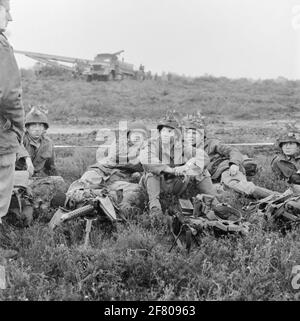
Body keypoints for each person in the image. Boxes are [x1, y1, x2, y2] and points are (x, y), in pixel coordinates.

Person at [139, 115, 216, 217]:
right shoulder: (151, 144)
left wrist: (187, 166)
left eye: (170, 132)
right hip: (154, 184)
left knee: (200, 171)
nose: (166, 134)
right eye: (164, 131)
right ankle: (155, 208)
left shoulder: (182, 145)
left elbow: (204, 157)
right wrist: (172, 170)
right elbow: (146, 160)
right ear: (160, 132)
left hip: (175, 183)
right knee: (152, 173)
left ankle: (214, 203)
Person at [66, 122, 148, 212]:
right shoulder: (119, 143)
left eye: (141, 135)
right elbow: (116, 157)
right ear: (128, 136)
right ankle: (75, 202)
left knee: (136, 191)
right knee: (77, 189)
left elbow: (146, 169)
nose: (137, 136)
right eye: (135, 133)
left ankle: (102, 203)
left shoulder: (145, 151)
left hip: (118, 180)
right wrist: (137, 160)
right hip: (100, 172)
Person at [0, 0, 25, 258]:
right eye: (6, 10)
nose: (10, 18)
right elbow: (8, 96)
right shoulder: (1, 45)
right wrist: (18, 128)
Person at [16, 106, 57, 177]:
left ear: (44, 128)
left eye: (40, 125)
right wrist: (27, 159)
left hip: (35, 178)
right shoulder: (20, 138)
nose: (37, 129)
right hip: (16, 175)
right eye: (34, 126)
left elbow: (50, 167)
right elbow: (18, 146)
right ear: (27, 128)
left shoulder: (48, 143)